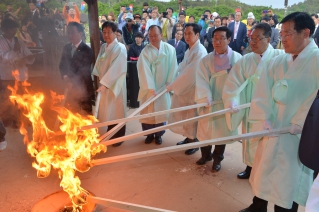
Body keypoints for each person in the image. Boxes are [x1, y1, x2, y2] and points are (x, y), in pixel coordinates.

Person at [241, 12, 318, 212]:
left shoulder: (316, 61)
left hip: (298, 136)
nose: (282, 38)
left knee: (287, 184)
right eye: (281, 33)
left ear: (306, 33)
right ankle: (257, 206)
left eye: (288, 33)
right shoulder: (279, 61)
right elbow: (263, 91)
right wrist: (264, 117)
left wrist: (300, 122)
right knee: (264, 172)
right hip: (273, 129)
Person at [222, 23, 284, 180]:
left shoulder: (280, 57)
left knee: (267, 142)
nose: (253, 42)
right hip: (250, 107)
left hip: (270, 110)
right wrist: (232, 101)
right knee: (250, 139)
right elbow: (233, 82)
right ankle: (250, 167)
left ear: (269, 39)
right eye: (251, 38)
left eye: (258, 38)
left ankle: (264, 170)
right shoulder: (246, 60)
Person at [195, 26, 242, 172]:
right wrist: (205, 96)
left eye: (222, 38)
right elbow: (201, 79)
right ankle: (205, 155)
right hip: (209, 100)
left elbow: (240, 81)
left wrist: (233, 99)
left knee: (222, 132)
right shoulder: (206, 60)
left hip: (226, 101)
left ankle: (217, 159)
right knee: (205, 130)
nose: (217, 41)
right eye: (215, 38)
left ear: (229, 39)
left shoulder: (238, 59)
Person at [167, 23, 207, 155]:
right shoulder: (190, 49)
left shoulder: (200, 51)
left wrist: (175, 85)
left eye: (190, 33)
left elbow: (190, 73)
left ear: (197, 35)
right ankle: (188, 137)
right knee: (187, 115)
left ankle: (194, 140)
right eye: (185, 33)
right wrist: (173, 81)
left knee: (192, 115)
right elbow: (182, 66)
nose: (187, 36)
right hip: (186, 87)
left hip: (193, 88)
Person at [137, 25, 178, 145]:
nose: (153, 38)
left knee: (161, 111)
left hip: (163, 87)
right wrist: (150, 87)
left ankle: (159, 135)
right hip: (149, 89)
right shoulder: (145, 51)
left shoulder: (170, 49)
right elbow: (143, 70)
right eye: (150, 36)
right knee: (148, 112)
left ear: (161, 35)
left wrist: (169, 83)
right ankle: (149, 134)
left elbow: (173, 67)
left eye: (155, 35)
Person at [92, 21, 127, 147]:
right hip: (104, 84)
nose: (106, 35)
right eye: (104, 32)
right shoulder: (103, 47)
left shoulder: (120, 48)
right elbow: (99, 63)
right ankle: (111, 133)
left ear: (115, 33)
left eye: (109, 32)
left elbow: (118, 68)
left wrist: (106, 83)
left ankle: (119, 136)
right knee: (109, 110)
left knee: (117, 110)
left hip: (115, 85)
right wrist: (99, 79)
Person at [0, 18, 35, 128]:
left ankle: (21, 121)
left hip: (21, 75)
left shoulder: (19, 41)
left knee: (23, 98)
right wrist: (14, 50)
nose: (14, 32)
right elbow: (2, 58)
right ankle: (8, 121)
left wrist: (29, 58)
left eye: (15, 30)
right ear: (4, 30)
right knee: (9, 99)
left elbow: (28, 55)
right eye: (11, 30)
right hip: (7, 76)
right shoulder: (0, 41)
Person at [59, 22, 94, 114]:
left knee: (86, 114)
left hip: (83, 88)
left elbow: (83, 71)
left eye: (73, 32)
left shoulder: (87, 50)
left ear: (80, 33)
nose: (70, 35)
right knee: (72, 113)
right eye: (68, 33)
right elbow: (62, 65)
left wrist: (72, 82)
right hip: (68, 86)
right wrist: (66, 78)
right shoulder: (66, 47)